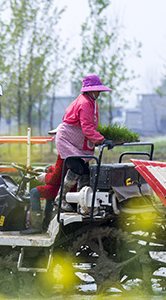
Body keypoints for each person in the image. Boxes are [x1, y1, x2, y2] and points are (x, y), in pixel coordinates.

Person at [53, 74, 115, 212]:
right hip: (68, 139)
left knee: (86, 172)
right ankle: (60, 199)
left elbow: (90, 126)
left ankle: (83, 203)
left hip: (78, 141)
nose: (99, 93)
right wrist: (102, 140)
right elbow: (87, 128)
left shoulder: (92, 102)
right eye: (97, 90)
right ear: (90, 90)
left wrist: (99, 137)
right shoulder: (85, 103)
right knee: (77, 169)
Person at [21, 155, 63, 234]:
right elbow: (57, 170)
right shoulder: (66, 154)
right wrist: (46, 169)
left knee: (34, 192)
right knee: (47, 195)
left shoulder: (62, 157)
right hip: (60, 186)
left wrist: (45, 176)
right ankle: (45, 224)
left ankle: (36, 226)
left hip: (58, 187)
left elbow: (56, 177)